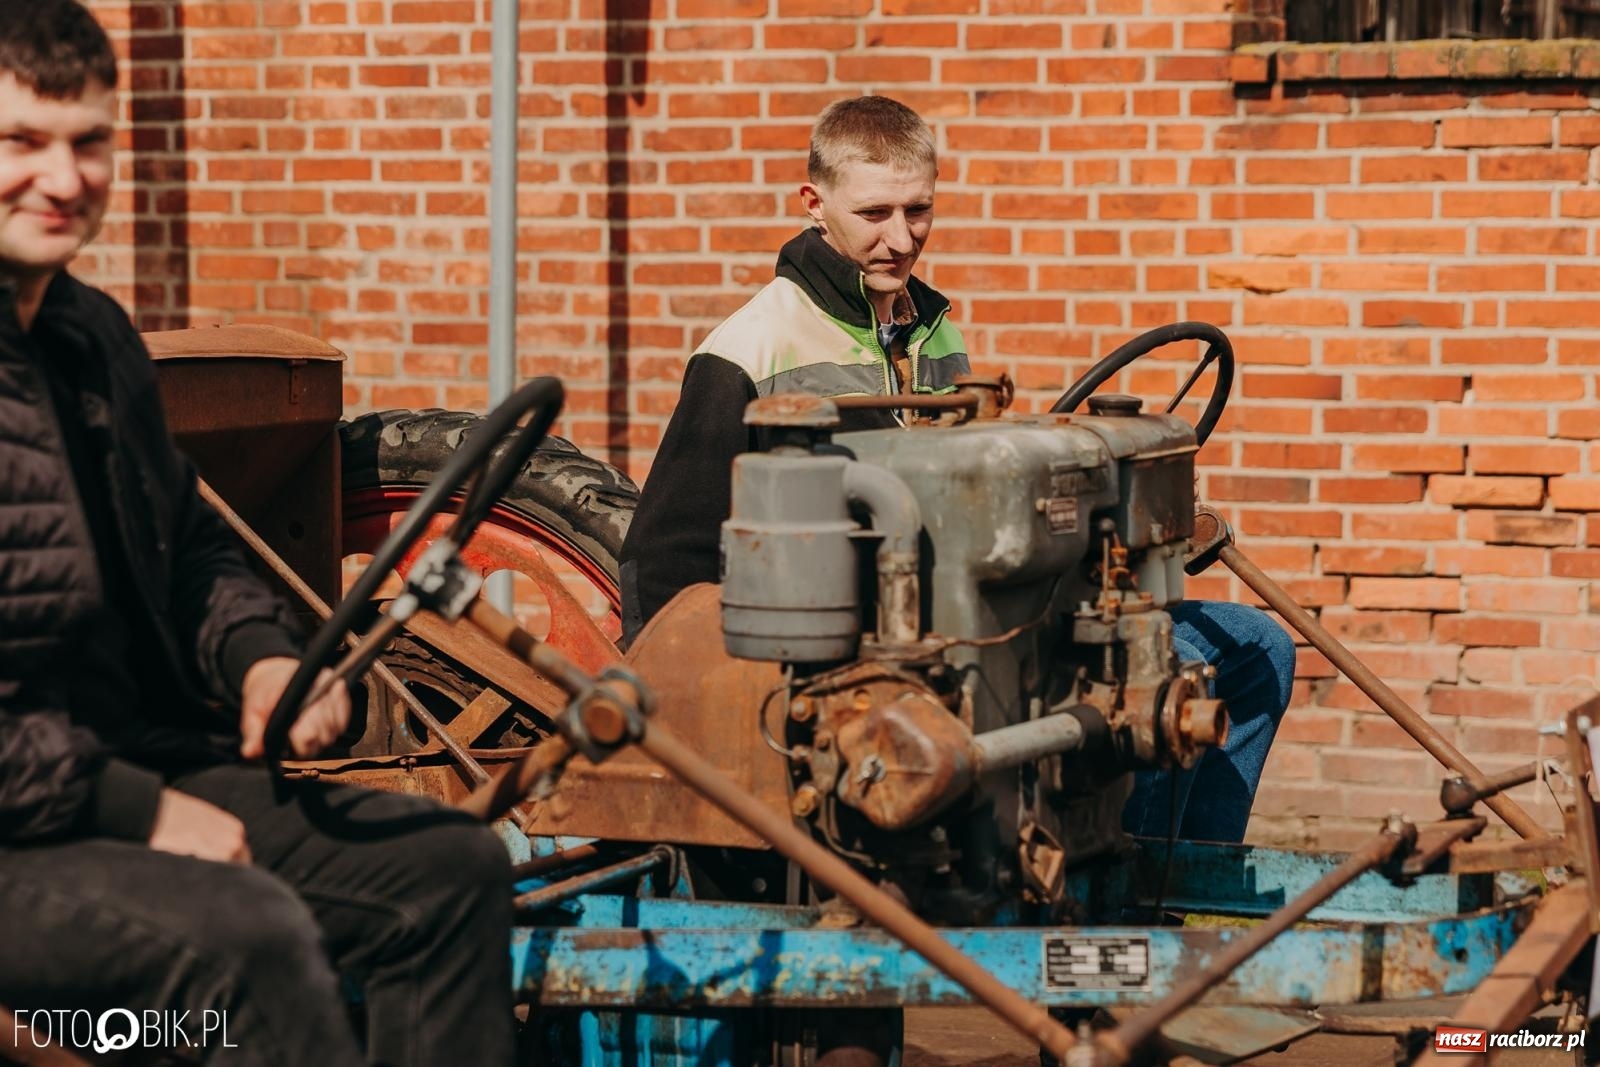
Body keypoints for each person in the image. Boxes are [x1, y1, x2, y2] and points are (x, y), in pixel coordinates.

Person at [0, 4, 512, 1064]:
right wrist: (141, 813)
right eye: (22, 142)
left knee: (451, 868)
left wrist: (262, 656)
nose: (62, 178)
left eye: (88, 142)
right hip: (33, 822)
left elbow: (188, 544)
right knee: (248, 940)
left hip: (108, 772)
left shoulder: (92, 338)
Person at [618, 94, 1295, 844]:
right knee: (1165, 666)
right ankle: (1115, 874)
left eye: (919, 211)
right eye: (874, 214)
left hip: (970, 615)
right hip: (858, 652)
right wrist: (679, 713)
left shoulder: (935, 330)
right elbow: (664, 557)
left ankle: (1181, 866)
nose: (900, 239)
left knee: (1254, 646)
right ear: (815, 204)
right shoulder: (751, 348)